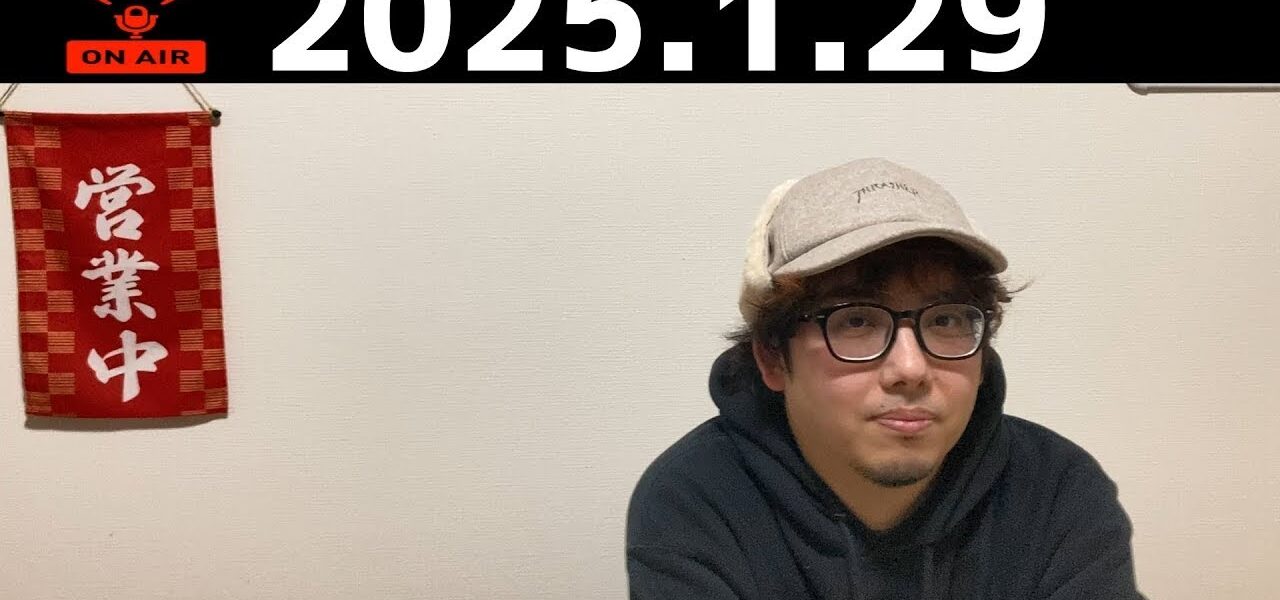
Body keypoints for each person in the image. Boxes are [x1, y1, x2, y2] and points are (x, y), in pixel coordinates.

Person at [625, 158, 1145, 599]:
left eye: (946, 320)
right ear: (772, 359)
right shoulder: (697, 503)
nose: (911, 369)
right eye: (855, 321)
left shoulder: (1057, 492)